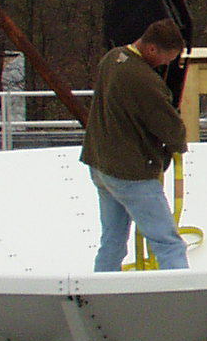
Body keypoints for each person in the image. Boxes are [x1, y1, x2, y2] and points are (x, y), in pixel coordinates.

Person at [81, 18, 190, 271]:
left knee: (112, 241)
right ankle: (181, 291)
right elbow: (170, 128)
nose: (166, 64)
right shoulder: (143, 79)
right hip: (130, 173)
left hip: (100, 165)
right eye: (167, 58)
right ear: (151, 49)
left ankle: (102, 289)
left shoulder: (112, 58)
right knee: (168, 243)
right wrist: (178, 144)